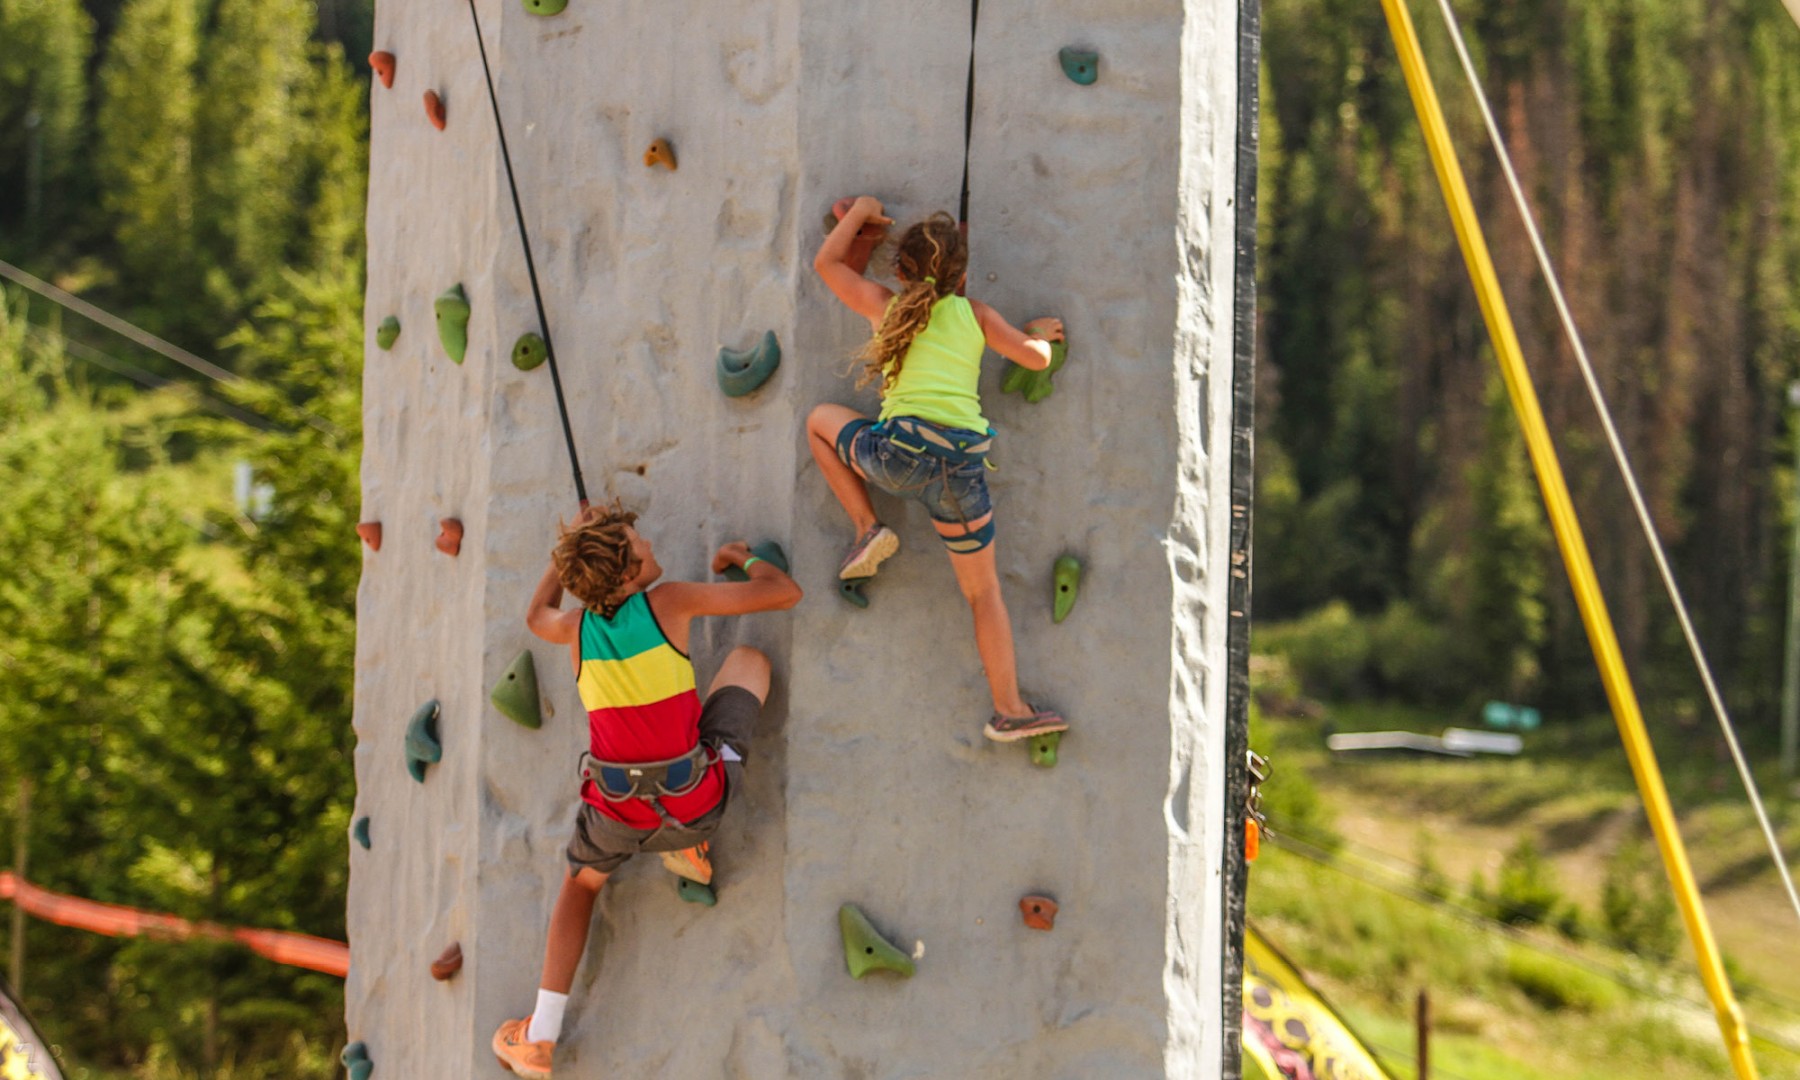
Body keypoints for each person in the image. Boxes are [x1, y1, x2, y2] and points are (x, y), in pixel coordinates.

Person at [491, 503, 801, 1078]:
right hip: (697, 803)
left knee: (580, 887)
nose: (652, 547)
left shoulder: (574, 628)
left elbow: (538, 612)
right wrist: (744, 557)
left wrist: (570, 557)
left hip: (617, 815)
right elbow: (784, 593)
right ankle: (687, 847)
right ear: (629, 572)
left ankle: (539, 1035)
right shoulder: (672, 601)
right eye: (641, 546)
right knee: (749, 661)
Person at [805, 197, 1071, 743]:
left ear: (899, 270)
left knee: (819, 422)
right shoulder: (975, 315)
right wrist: (1041, 331)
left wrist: (860, 214)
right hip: (960, 475)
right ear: (964, 276)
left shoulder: (885, 304)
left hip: (895, 459)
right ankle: (1009, 708)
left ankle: (866, 526)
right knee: (983, 593)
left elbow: (827, 266)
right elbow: (1036, 359)